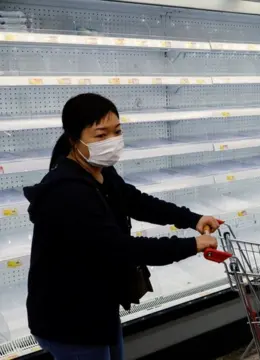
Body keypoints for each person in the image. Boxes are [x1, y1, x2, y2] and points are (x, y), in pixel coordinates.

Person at [24, 93, 222, 360]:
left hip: (98, 305)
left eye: (117, 132)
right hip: (68, 318)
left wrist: (192, 219)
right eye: (100, 135)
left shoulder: (99, 170)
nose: (112, 142)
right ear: (74, 139)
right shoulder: (67, 192)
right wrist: (190, 245)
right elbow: (119, 248)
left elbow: (135, 201)